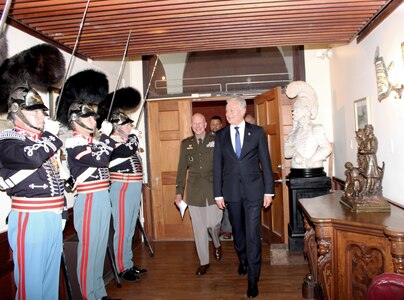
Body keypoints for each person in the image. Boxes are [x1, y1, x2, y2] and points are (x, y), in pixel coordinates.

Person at [0, 86, 65, 299]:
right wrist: (49, 136)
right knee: (32, 284)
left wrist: (62, 211)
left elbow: (56, 179)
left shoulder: (40, 141)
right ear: (17, 113)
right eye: (33, 111)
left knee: (49, 281)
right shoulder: (9, 141)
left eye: (41, 111)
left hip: (52, 217)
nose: (40, 116)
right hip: (31, 217)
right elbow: (33, 158)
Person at [213, 96, 274, 298]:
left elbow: (265, 162)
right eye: (226, 111)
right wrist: (218, 193)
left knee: (252, 234)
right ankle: (243, 259)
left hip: (254, 191)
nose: (227, 114)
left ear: (241, 110)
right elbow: (217, 167)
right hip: (231, 192)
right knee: (238, 231)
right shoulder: (220, 135)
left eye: (231, 110)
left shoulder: (256, 132)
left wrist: (269, 190)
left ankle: (253, 280)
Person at [174, 113, 223, 276]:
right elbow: (181, 170)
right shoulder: (186, 144)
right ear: (191, 125)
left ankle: (216, 243)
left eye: (200, 122)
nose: (197, 125)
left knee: (214, 224)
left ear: (205, 123)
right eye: (194, 123)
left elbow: (224, 164)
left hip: (214, 190)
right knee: (199, 228)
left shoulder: (216, 139)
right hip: (195, 192)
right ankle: (204, 262)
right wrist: (179, 192)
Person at [109, 110, 147, 282]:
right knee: (122, 229)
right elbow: (127, 151)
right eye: (127, 124)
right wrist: (133, 136)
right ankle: (121, 268)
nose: (131, 127)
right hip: (122, 187)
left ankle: (128, 263)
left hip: (133, 186)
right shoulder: (111, 141)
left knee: (130, 228)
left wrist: (131, 136)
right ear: (117, 126)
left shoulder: (126, 141)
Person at [284, 81, 332, 169]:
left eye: (296, 109)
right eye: (293, 110)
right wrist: (295, 153)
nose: (293, 113)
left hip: (313, 173)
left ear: (306, 110)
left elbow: (327, 148)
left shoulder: (316, 129)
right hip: (296, 173)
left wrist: (312, 160)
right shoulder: (294, 131)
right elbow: (285, 152)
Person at [210, 115, 232, 240]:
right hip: (210, 177)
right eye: (213, 124)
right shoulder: (207, 139)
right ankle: (216, 229)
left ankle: (227, 229)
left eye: (217, 124)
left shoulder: (226, 137)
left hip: (225, 176)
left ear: (222, 125)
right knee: (214, 206)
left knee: (226, 205)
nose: (215, 127)